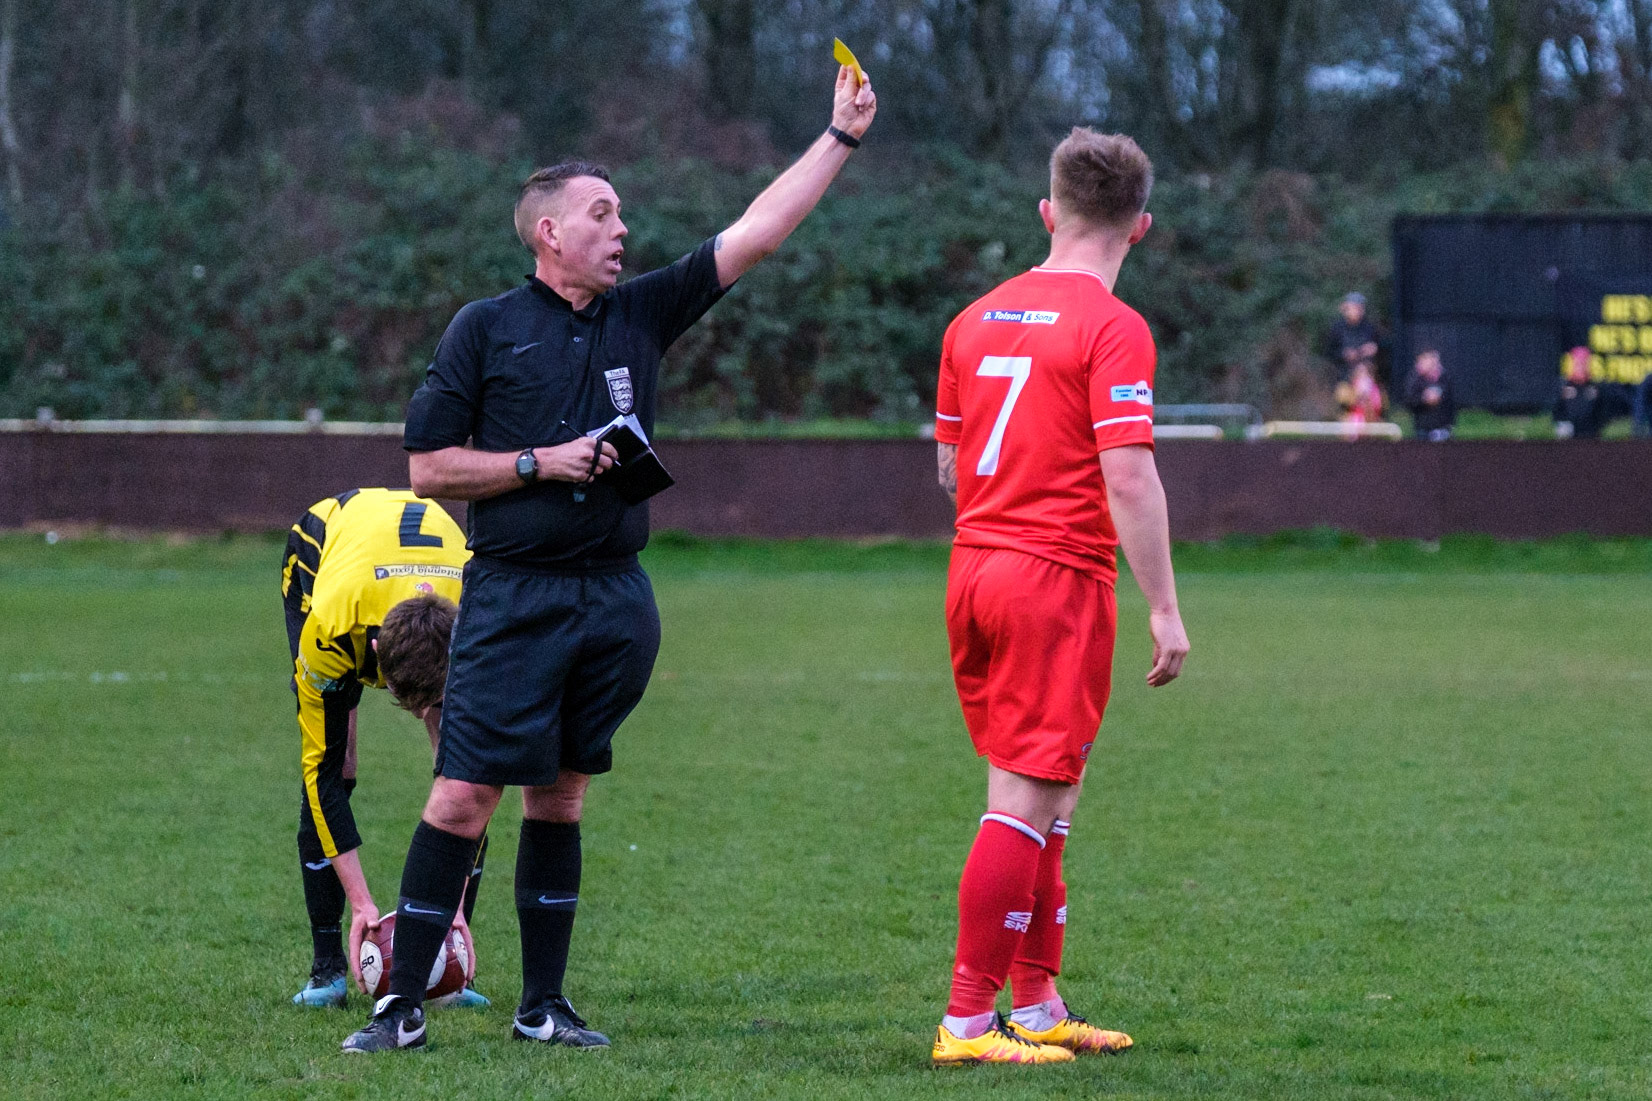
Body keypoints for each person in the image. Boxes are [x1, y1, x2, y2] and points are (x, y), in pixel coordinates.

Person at [339, 64, 878, 1054]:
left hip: (615, 600)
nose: (620, 228)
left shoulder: (639, 315)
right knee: (461, 793)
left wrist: (837, 137)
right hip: (511, 596)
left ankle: (542, 1006)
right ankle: (400, 1003)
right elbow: (426, 465)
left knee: (564, 791)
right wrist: (539, 462)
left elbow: (754, 236)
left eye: (621, 213)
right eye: (601, 212)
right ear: (549, 232)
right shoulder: (486, 329)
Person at [930, 128, 1189, 1067]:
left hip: (977, 569)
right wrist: (1163, 605)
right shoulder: (1113, 324)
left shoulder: (975, 317)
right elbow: (1130, 478)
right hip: (1055, 579)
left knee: (1051, 793)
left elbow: (953, 465)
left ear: (1048, 212)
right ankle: (966, 1023)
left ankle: (1036, 1003)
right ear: (1142, 227)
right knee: (1022, 797)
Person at [281, 488, 488, 1009]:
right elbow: (319, 774)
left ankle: (451, 955)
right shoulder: (332, 626)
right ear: (373, 656)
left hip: (431, 574)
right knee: (338, 761)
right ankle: (327, 969)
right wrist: (362, 904)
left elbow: (480, 783)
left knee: (464, 771)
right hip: (322, 544)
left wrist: (456, 905)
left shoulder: (482, 615)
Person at [1324, 291, 1381, 386]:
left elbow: (1382, 345)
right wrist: (1344, 354)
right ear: (1345, 309)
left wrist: (1375, 348)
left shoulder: (1369, 328)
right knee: (1344, 395)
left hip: (1366, 375)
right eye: (1354, 308)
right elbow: (1328, 352)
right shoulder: (1337, 328)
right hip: (1343, 376)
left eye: (1360, 308)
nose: (1357, 311)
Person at [1401, 347, 1456, 441]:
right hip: (1422, 429)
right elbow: (1408, 400)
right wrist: (1424, 399)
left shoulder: (1444, 378)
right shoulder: (1414, 379)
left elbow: (1450, 402)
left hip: (1443, 428)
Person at [1554, 347, 1606, 439]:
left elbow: (1601, 412)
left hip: (1590, 431)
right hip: (1569, 430)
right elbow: (1556, 412)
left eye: (1584, 363)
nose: (1581, 367)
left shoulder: (1594, 387)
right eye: (1578, 364)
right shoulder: (1563, 386)